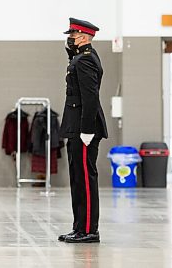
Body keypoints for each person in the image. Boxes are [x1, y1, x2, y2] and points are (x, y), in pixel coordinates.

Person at [58, 18, 108, 243]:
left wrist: (87, 130)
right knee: (78, 178)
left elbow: (90, 97)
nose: (70, 38)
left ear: (84, 37)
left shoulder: (86, 60)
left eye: (74, 35)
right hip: (75, 126)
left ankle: (89, 230)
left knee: (85, 180)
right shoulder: (80, 58)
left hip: (83, 129)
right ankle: (79, 228)